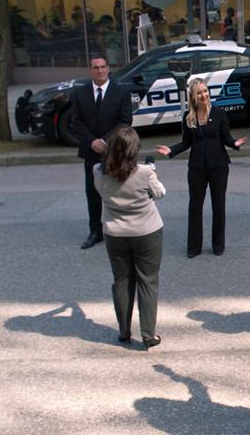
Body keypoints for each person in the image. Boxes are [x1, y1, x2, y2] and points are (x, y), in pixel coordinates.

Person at [155, 78, 246, 258]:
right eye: (199, 92)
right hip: (197, 167)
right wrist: (171, 150)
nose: (204, 95)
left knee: (218, 205)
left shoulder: (219, 113)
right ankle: (194, 247)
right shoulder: (188, 117)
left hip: (218, 166)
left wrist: (235, 143)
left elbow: (226, 138)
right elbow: (186, 142)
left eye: (205, 91)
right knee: (195, 206)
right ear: (193, 96)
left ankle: (218, 245)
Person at [93, 125, 165, 349]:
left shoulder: (98, 171)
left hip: (115, 233)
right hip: (146, 231)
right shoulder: (145, 173)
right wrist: (153, 173)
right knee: (148, 281)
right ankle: (147, 334)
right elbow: (160, 192)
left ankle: (124, 330)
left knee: (122, 281)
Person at [70, 55, 133, 249]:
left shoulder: (120, 92)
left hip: (113, 150)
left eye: (103, 67)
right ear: (90, 70)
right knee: (93, 193)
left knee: (117, 191)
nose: (99, 70)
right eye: (95, 67)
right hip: (90, 151)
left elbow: (125, 121)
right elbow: (76, 121)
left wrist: (105, 141)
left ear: (108, 68)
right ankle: (96, 231)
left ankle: (120, 230)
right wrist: (92, 142)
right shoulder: (79, 93)